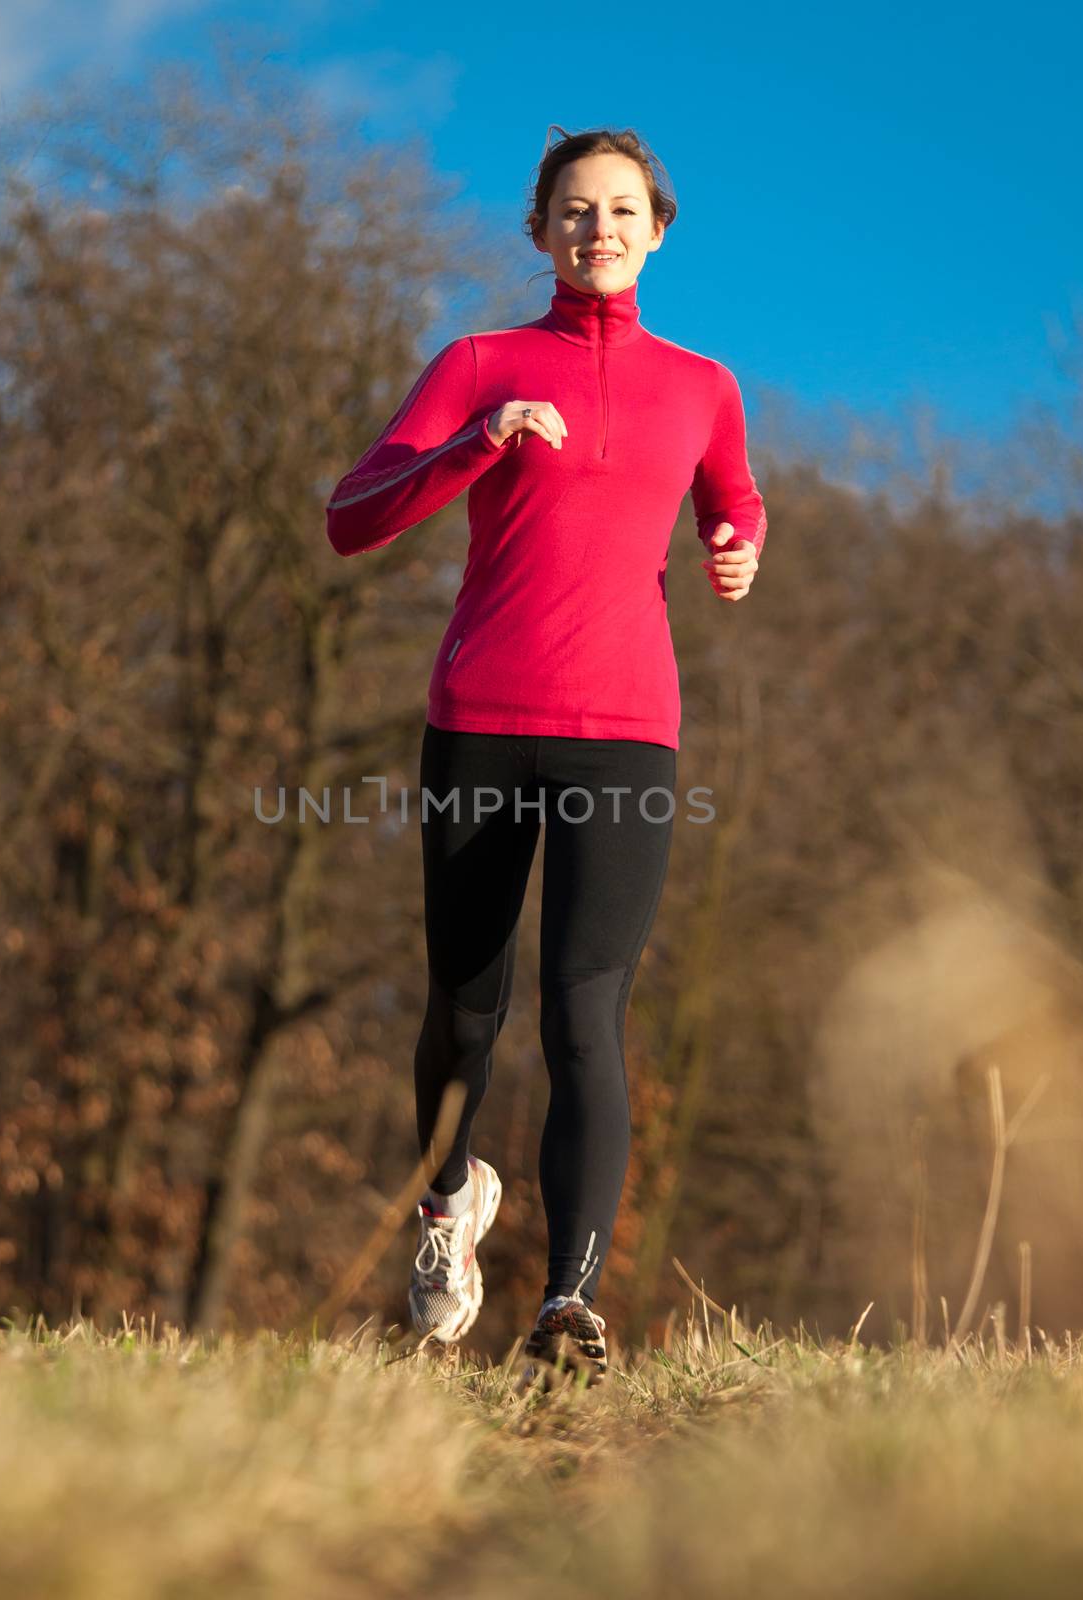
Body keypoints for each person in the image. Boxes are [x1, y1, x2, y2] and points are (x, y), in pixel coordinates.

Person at [323, 125, 765, 1382]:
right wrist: (479, 441)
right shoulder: (478, 362)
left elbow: (733, 495)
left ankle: (568, 1304)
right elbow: (351, 518)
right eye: (574, 212)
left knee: (588, 1016)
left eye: (621, 210)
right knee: (464, 1006)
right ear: (539, 234)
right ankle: (446, 1207)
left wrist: (739, 542)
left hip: (628, 733)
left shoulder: (703, 384)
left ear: (658, 229)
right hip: (479, 718)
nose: (599, 230)